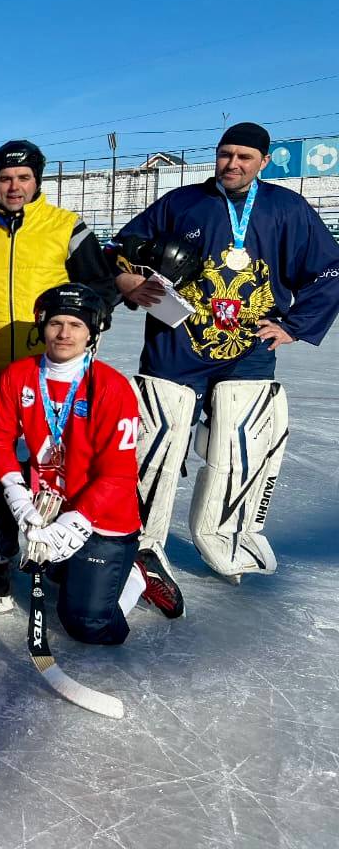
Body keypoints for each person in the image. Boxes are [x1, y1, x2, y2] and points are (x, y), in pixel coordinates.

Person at [112, 121, 339, 602]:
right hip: (177, 344)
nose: (232, 164)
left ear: (263, 161)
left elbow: (330, 269)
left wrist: (294, 326)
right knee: (154, 446)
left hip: (249, 350)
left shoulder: (287, 208)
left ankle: (226, 538)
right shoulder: (181, 202)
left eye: (244, 157)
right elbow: (121, 249)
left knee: (240, 449)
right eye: (225, 154)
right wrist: (129, 284)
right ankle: (140, 542)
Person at [0, 284, 147, 647]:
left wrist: (75, 522)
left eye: (76, 325)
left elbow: (119, 475)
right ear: (43, 326)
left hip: (101, 516)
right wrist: (16, 493)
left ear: (92, 331)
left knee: (87, 625)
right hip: (45, 496)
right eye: (56, 323)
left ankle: (137, 575)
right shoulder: (20, 375)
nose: (65, 334)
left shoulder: (112, 388)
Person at [0, 139, 116, 412]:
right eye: (5, 178)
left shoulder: (66, 225)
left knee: (48, 450)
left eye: (24, 177)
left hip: (48, 363)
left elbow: (100, 285)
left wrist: (91, 325)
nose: (14, 187)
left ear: (37, 181)